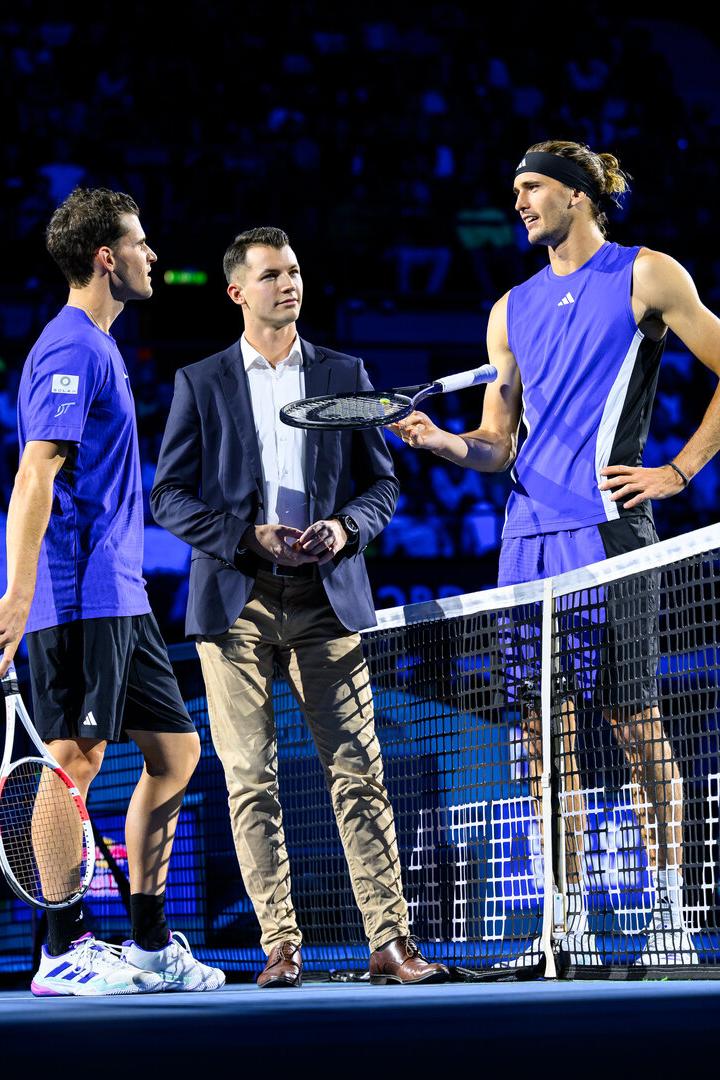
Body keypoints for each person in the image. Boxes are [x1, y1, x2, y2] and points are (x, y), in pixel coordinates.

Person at [392, 140, 720, 967]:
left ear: (578, 195)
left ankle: (671, 913)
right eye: (516, 191)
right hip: (524, 547)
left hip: (608, 535)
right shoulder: (508, 310)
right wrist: (441, 442)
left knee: (635, 718)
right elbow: (497, 448)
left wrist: (679, 470)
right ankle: (562, 920)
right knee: (542, 737)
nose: (520, 204)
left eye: (532, 188)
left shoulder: (648, 275)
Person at [150, 226, 449, 988]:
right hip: (235, 600)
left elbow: (382, 486)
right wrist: (245, 535)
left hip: (326, 595)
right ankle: (279, 946)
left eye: (296, 271)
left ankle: (390, 942)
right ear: (236, 291)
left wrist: (346, 527)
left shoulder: (346, 373)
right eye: (273, 274)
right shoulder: (201, 382)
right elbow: (168, 498)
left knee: (360, 773)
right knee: (251, 777)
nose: (290, 284)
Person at [0, 187, 225, 996]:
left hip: (121, 598)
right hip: (76, 592)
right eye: (139, 242)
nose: (152, 255)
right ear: (106, 257)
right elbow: (35, 473)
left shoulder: (99, 347)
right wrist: (19, 596)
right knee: (71, 762)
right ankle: (62, 948)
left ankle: (151, 944)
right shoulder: (70, 350)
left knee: (176, 754)